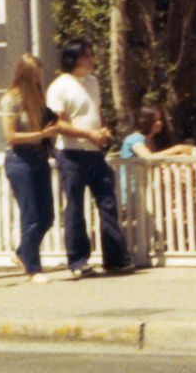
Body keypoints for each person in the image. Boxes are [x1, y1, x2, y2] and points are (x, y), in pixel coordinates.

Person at [46, 38, 133, 278]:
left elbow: (96, 112)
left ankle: (115, 259)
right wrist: (88, 134)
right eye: (86, 55)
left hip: (94, 153)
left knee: (108, 202)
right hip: (71, 153)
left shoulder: (92, 82)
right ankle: (78, 261)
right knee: (75, 206)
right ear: (73, 58)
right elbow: (58, 124)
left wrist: (102, 131)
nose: (91, 60)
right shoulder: (60, 86)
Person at [0, 54, 60, 284]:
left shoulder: (38, 97)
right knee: (31, 214)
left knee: (47, 216)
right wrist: (41, 135)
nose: (38, 79)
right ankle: (33, 268)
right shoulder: (11, 99)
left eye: (39, 75)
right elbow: (10, 135)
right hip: (20, 160)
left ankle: (23, 252)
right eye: (34, 74)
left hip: (39, 157)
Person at [121, 103, 195, 159]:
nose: (160, 123)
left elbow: (160, 157)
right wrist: (178, 148)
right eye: (155, 120)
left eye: (160, 119)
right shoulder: (134, 138)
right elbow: (148, 158)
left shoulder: (154, 139)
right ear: (145, 121)